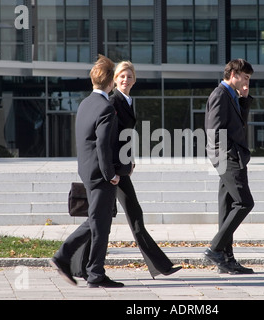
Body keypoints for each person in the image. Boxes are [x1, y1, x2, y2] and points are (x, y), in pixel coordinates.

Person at [50, 55, 131, 288]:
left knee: (98, 220)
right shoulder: (106, 108)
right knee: (100, 224)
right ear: (110, 83)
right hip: (100, 174)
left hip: (86, 171)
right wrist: (111, 174)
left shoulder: (85, 103)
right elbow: (103, 145)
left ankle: (89, 269)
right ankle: (82, 267)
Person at [109, 61, 182, 278]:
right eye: (121, 76)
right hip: (111, 170)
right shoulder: (113, 101)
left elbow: (126, 136)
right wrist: (114, 167)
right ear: (114, 79)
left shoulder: (129, 101)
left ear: (134, 79)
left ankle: (160, 266)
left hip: (120, 168)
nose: (125, 79)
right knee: (102, 218)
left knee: (133, 214)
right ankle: (70, 260)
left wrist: (129, 160)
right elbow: (110, 137)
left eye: (129, 76)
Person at [204, 59, 256, 275]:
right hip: (228, 157)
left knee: (227, 209)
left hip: (231, 156)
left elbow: (238, 126)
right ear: (233, 74)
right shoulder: (220, 94)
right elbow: (214, 131)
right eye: (245, 78)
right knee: (244, 202)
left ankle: (227, 260)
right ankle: (215, 249)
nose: (247, 83)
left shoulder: (232, 96)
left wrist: (244, 100)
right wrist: (229, 156)